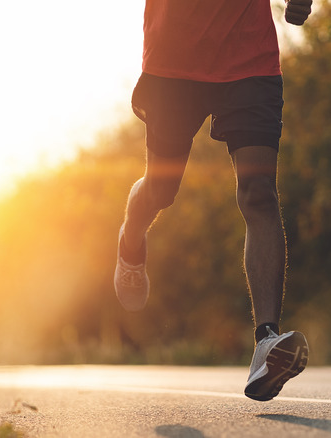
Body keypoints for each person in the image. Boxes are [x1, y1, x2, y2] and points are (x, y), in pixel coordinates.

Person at [114, 0, 312, 402]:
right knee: (161, 190)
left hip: (248, 57)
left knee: (259, 194)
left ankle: (266, 341)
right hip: (174, 59)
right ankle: (131, 239)